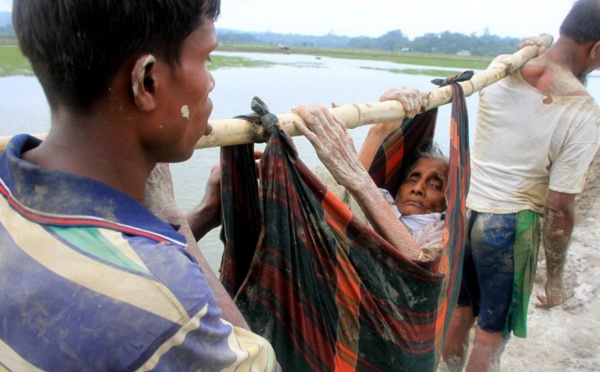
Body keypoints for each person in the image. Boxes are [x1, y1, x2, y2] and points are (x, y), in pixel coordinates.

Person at [0, 0, 277, 370]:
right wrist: (176, 222)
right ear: (146, 82)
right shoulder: (169, 300)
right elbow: (262, 364)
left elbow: (86, 259)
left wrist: (203, 215)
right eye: (206, 59)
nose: (210, 82)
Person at [442, 1, 600, 370]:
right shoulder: (581, 109)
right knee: (491, 332)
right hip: (510, 227)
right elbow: (559, 207)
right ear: (596, 48)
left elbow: (539, 66)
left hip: (466, 210)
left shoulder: (504, 66)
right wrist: (556, 276)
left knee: (460, 312)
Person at [292, 88, 449, 261]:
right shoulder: (384, 200)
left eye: (435, 185)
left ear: (447, 200)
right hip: (332, 251)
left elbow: (421, 265)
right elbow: (346, 185)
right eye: (412, 179)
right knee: (326, 178)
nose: (417, 189)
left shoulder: (440, 232)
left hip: (375, 276)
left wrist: (360, 182)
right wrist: (379, 130)